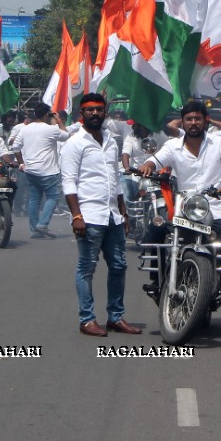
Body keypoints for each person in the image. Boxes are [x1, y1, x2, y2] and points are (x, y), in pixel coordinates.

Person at [140, 100, 221, 336]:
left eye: (198, 118)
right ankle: (157, 282)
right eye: (189, 119)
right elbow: (156, 160)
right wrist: (148, 165)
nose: (193, 123)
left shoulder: (220, 144)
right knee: (156, 233)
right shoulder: (173, 146)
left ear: (205, 121)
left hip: (215, 207)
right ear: (183, 122)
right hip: (185, 209)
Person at [61, 93, 140, 337]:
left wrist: (123, 212)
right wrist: (76, 216)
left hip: (112, 216)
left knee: (119, 265)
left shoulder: (110, 141)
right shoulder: (74, 143)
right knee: (87, 267)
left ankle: (115, 317)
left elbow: (115, 181)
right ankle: (87, 320)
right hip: (89, 215)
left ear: (105, 113)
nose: (95, 113)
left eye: (99, 109)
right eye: (90, 110)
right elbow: (69, 182)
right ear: (81, 114)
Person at [11, 102, 77, 239]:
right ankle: (43, 224)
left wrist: (21, 163)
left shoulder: (25, 129)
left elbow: (15, 147)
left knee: (34, 199)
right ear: (47, 115)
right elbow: (66, 136)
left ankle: (35, 230)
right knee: (53, 197)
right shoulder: (51, 129)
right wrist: (59, 121)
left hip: (31, 170)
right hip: (49, 171)